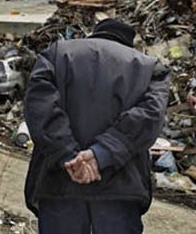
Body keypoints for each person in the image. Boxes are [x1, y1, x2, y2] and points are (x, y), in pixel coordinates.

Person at [24, 18, 170, 234]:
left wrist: (68, 156)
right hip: (120, 191)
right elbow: (148, 117)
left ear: (95, 34)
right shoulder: (149, 68)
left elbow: (39, 107)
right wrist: (100, 155)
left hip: (58, 186)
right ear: (129, 44)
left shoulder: (56, 54)